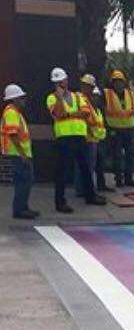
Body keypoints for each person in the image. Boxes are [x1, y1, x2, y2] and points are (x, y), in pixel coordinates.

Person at [46, 67, 105, 213]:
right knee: (62, 171)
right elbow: (58, 114)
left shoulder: (78, 96)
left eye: (62, 81)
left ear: (66, 80)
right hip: (64, 138)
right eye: (57, 82)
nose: (60, 84)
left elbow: (86, 113)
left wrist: (68, 114)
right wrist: (61, 100)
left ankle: (90, 196)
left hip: (80, 136)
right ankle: (60, 202)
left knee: (85, 168)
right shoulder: (52, 98)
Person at [1, 84, 38, 219]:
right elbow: (13, 134)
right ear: (14, 99)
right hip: (18, 154)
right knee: (24, 181)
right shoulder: (11, 112)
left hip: (20, 153)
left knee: (24, 181)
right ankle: (20, 210)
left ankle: (23, 207)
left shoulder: (15, 113)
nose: (24, 100)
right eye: (21, 98)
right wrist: (22, 154)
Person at [104, 69, 134, 188]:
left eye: (120, 82)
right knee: (117, 155)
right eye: (115, 82)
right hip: (115, 129)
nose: (118, 84)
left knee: (130, 155)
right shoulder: (107, 94)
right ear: (112, 83)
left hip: (129, 129)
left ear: (124, 83)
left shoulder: (130, 94)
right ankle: (119, 179)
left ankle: (129, 178)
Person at [76, 74, 112, 196]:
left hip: (94, 139)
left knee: (90, 166)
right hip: (88, 138)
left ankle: (86, 189)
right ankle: (84, 190)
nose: (93, 94)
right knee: (86, 166)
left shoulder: (91, 104)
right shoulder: (82, 99)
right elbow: (87, 120)